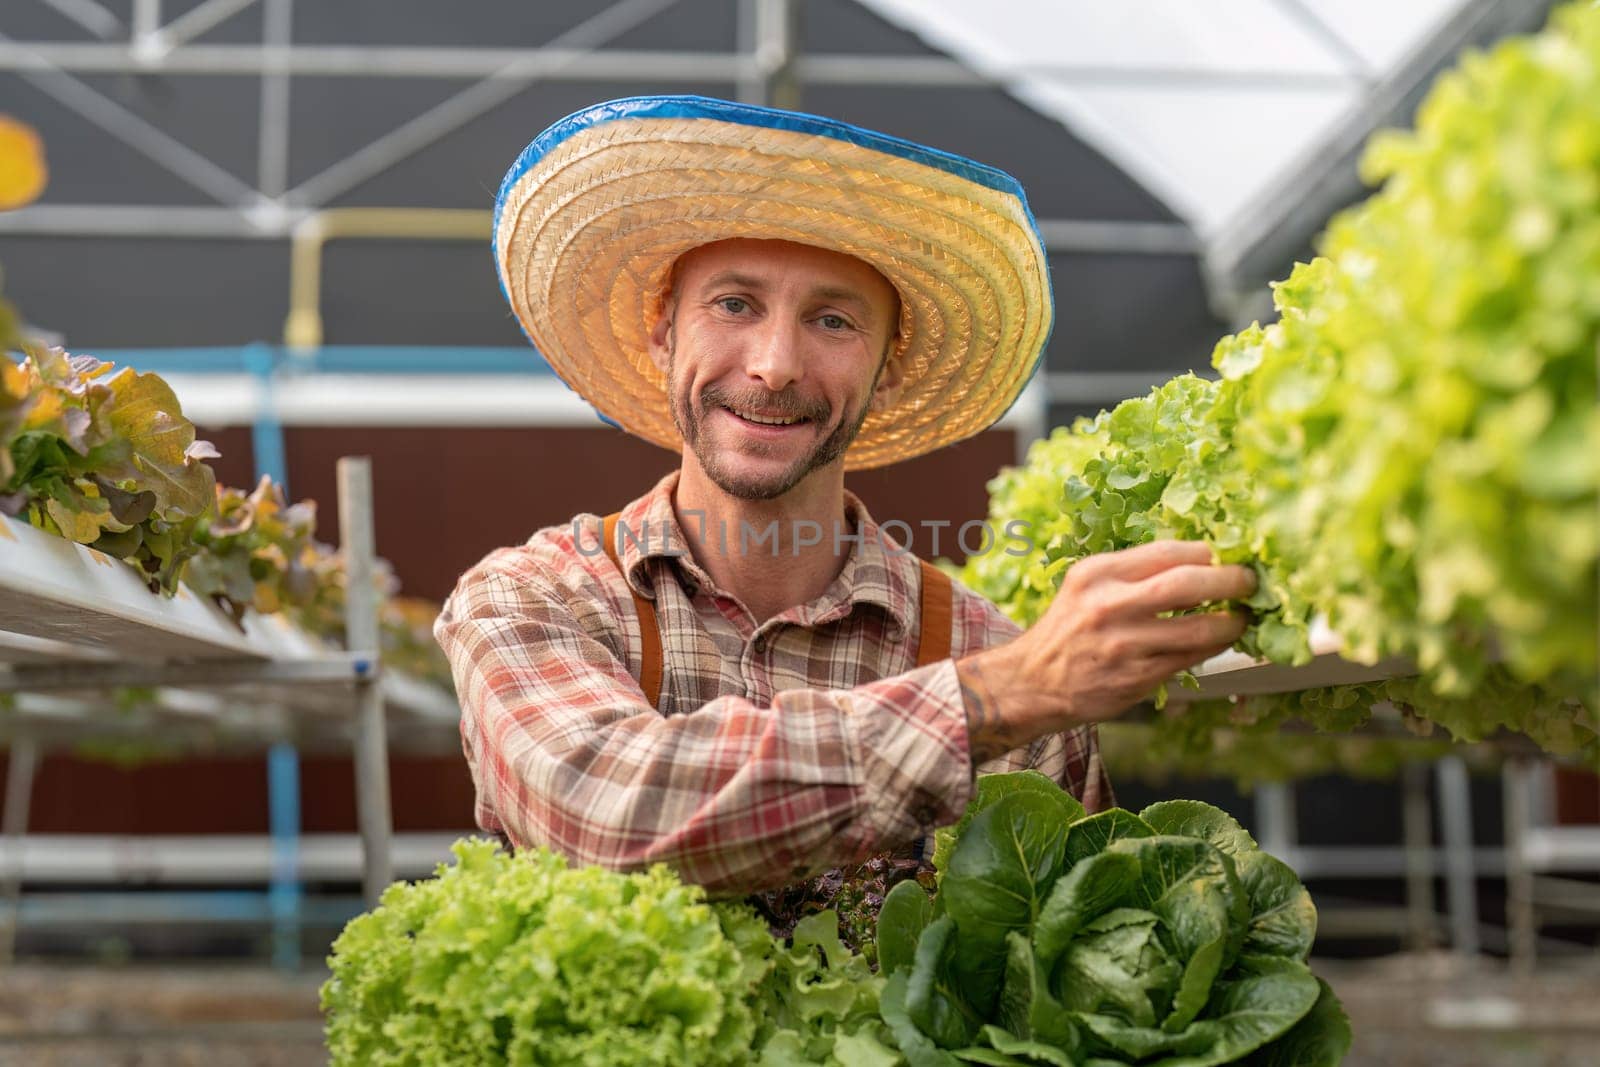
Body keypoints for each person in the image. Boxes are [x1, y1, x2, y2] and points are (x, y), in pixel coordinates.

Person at [435, 96, 1252, 930]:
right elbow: (603, 813)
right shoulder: (534, 599)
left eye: (832, 320)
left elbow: (1069, 966)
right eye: (734, 304)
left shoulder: (986, 650)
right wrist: (996, 702)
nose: (775, 365)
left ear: (888, 369)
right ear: (661, 332)